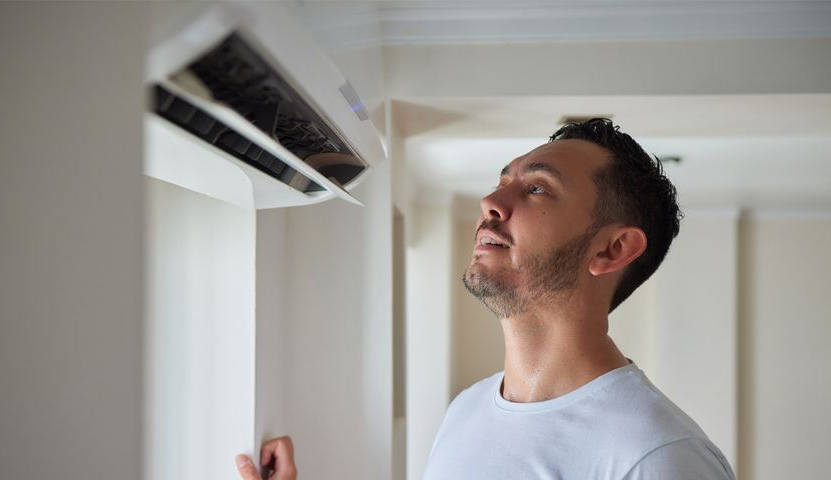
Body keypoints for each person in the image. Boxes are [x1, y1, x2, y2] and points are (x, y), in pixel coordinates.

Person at [236, 119, 735, 479]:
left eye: (538, 188)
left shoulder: (656, 456)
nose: (491, 203)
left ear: (612, 248)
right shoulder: (467, 410)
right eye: (502, 181)